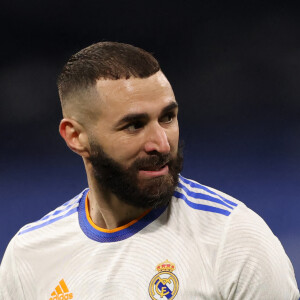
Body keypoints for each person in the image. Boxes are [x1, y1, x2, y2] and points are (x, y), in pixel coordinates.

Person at [0, 42, 299, 300]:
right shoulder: (28, 255)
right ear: (76, 137)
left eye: (168, 117)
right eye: (134, 125)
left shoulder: (233, 240)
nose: (161, 144)